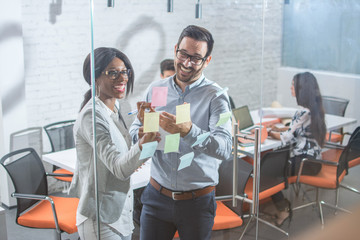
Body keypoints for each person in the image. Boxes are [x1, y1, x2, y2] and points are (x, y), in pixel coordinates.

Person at [129, 25, 232, 240]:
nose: (186, 63)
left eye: (196, 58)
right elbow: (135, 131)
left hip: (197, 203)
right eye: (183, 54)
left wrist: (189, 131)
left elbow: (225, 149)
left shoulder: (216, 97)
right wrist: (140, 134)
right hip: (156, 197)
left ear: (207, 61)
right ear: (175, 50)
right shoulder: (157, 90)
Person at [69, 47, 159, 240]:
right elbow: (119, 168)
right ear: (94, 78)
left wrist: (141, 139)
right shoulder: (92, 115)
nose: (122, 78)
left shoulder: (114, 108)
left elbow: (121, 156)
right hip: (101, 220)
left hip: (120, 213)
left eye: (124, 71)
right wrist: (143, 145)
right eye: (112, 73)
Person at [268, 71, 326, 226]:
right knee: (271, 166)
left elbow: (285, 138)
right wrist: (282, 129)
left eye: (293, 85)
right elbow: (297, 132)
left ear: (302, 89)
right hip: (313, 162)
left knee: (265, 171)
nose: (290, 87)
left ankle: (283, 209)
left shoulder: (302, 111)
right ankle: (281, 205)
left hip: (304, 163)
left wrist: (266, 132)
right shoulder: (314, 109)